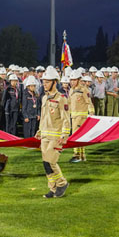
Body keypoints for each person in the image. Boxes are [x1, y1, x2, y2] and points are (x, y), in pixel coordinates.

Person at [36, 66, 70, 197]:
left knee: (51, 162)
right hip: (45, 135)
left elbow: (66, 119)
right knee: (46, 164)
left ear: (55, 82)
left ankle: (62, 183)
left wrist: (64, 135)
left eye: (47, 82)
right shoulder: (44, 98)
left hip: (56, 136)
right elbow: (44, 117)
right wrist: (39, 131)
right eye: (44, 81)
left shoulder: (62, 99)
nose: (44, 84)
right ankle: (53, 188)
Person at [68, 70, 93, 163]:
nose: (72, 82)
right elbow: (69, 103)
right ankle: (81, 156)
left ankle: (76, 155)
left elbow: (89, 102)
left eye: (74, 80)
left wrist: (91, 112)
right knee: (79, 136)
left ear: (79, 80)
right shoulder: (71, 90)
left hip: (81, 117)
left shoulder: (84, 90)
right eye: (71, 80)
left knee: (76, 136)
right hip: (73, 117)